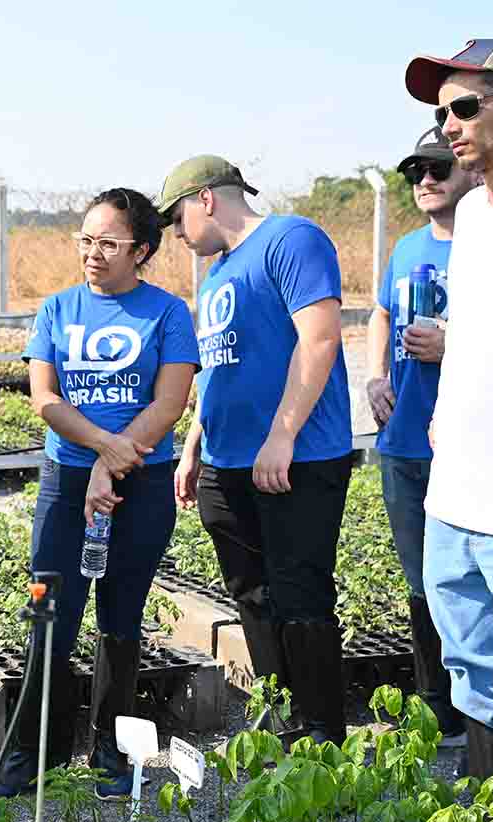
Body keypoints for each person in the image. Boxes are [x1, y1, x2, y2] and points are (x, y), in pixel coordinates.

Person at [0, 189, 198, 802]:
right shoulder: (57, 308)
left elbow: (170, 402)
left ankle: (111, 750)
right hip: (68, 481)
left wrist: (115, 461)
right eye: (86, 240)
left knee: (121, 617)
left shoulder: (168, 313)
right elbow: (44, 399)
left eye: (108, 242)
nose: (92, 253)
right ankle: (32, 752)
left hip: (142, 481)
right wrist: (104, 450)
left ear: (142, 250)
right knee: (48, 611)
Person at [167, 155, 353, 745]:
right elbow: (217, 372)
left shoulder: (290, 239)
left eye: (176, 217)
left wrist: (283, 433)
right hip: (227, 462)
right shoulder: (217, 275)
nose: (175, 233)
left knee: (301, 597)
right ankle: (283, 723)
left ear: (205, 199)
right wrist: (194, 446)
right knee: (252, 596)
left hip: (296, 457)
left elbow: (319, 339)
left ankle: (321, 738)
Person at [405, 37, 493, 780]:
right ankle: (489, 820)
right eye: (441, 113)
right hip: (453, 494)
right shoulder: (475, 216)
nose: (448, 126)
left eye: (463, 107)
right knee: (471, 674)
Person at [365, 126, 478, 751]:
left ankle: (484, 714)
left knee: (475, 580)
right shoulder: (407, 247)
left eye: (437, 168)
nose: (425, 181)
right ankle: (439, 710)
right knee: (421, 580)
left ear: (470, 170)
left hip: (471, 444)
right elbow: (381, 312)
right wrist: (375, 375)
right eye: (414, 172)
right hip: (405, 441)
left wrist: (453, 343)